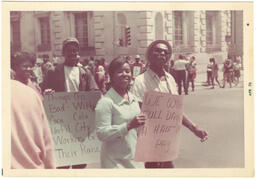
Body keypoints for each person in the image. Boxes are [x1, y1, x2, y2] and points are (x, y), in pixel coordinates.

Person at [131, 40, 208, 168]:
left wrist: (194, 128)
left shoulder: (171, 79)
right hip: (151, 144)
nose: (162, 54)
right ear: (149, 55)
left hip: (168, 142)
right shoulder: (140, 81)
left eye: (165, 52)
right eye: (158, 50)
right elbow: (137, 112)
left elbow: (175, 111)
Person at [42, 37, 96, 168]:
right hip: (61, 124)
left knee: (79, 162)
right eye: (69, 51)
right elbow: (44, 91)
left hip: (80, 122)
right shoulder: (53, 71)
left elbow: (94, 92)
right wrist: (47, 93)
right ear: (63, 53)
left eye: (75, 51)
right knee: (63, 163)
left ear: (79, 53)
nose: (73, 53)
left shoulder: (85, 72)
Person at [95, 57, 147, 168]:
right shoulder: (105, 102)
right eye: (119, 71)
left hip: (135, 161)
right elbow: (102, 134)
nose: (125, 74)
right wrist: (128, 126)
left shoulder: (133, 98)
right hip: (115, 164)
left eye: (127, 71)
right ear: (111, 76)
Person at [11, 80, 55, 169]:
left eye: (30, 66)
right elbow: (47, 144)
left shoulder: (31, 91)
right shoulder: (30, 93)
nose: (28, 68)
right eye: (25, 66)